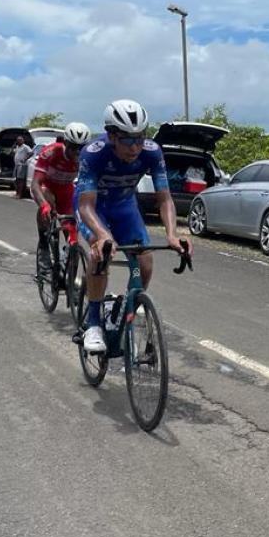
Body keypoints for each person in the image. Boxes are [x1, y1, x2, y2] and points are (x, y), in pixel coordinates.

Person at [76, 100, 188, 354]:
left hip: (125, 208)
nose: (135, 147)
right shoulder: (93, 153)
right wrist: (103, 235)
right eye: (127, 140)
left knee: (146, 261)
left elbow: (165, 198)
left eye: (140, 138)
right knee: (99, 253)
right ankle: (93, 323)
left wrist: (172, 234)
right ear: (112, 136)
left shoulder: (152, 152)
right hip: (95, 209)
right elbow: (85, 206)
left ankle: (123, 310)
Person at [32, 122, 90, 276]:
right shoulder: (51, 152)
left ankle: (68, 261)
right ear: (65, 143)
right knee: (46, 202)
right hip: (47, 188)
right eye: (73, 147)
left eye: (81, 148)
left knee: (72, 233)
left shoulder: (87, 157)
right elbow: (35, 184)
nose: (77, 152)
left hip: (66, 191)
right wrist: (43, 205)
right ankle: (44, 245)